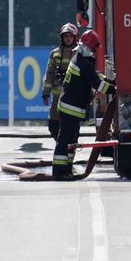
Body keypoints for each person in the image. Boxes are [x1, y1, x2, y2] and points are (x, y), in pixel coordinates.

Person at [53, 29, 114, 180]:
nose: (94, 52)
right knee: (65, 141)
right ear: (90, 47)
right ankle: (60, 172)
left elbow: (95, 75)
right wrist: (115, 89)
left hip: (71, 107)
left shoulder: (79, 58)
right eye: (94, 49)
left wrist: (109, 80)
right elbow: (97, 85)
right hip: (70, 108)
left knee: (70, 141)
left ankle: (66, 169)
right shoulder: (83, 63)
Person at [42, 23, 79, 140]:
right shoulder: (54, 54)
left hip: (74, 95)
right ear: (62, 37)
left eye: (70, 36)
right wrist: (45, 93)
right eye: (66, 36)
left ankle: (69, 148)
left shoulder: (80, 53)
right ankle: (61, 144)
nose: (68, 38)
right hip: (57, 96)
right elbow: (49, 74)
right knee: (53, 125)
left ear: (74, 38)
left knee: (72, 125)